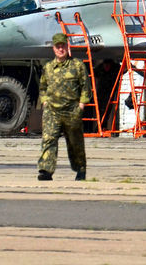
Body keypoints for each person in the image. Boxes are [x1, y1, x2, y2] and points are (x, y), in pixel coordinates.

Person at [38, 32, 91, 181]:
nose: (61, 49)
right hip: (52, 111)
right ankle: (46, 170)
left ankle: (80, 169)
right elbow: (42, 86)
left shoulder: (77, 65)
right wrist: (45, 101)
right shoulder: (48, 67)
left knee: (75, 143)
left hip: (71, 110)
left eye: (63, 46)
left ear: (67, 47)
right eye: (58, 47)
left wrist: (81, 105)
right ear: (54, 49)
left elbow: (85, 86)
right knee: (49, 140)